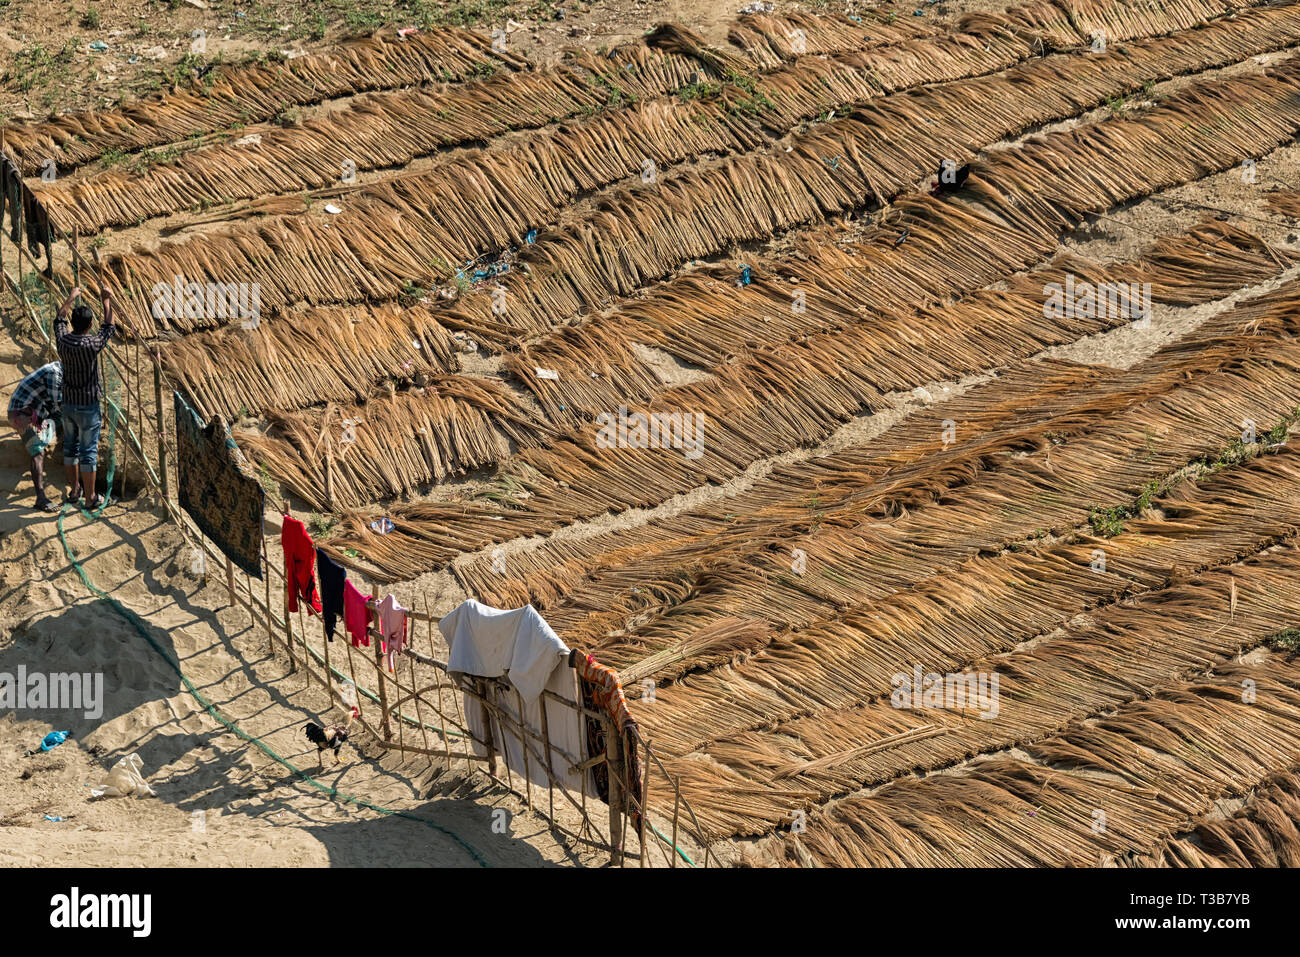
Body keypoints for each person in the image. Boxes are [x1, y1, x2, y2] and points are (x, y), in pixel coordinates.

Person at [54, 285, 114, 510]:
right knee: (88, 452)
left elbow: (59, 319)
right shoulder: (92, 345)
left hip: (68, 404)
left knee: (70, 447)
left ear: (73, 324)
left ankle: (74, 491)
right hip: (88, 406)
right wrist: (107, 300)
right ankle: (90, 498)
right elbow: (108, 327)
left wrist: (70, 297)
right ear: (90, 325)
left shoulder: (63, 343)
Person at [6, 360, 63, 512]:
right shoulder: (55, 373)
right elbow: (59, 404)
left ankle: (60, 448)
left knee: (60, 420)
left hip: (35, 413)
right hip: (21, 414)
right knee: (38, 452)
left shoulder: (61, 371)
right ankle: (41, 498)